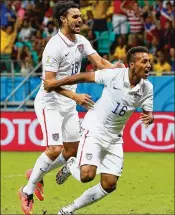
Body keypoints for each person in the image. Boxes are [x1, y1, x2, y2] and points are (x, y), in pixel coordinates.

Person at [18, 1, 124, 215]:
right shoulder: (54, 46)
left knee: (71, 151)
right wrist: (74, 95)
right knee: (55, 148)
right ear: (62, 19)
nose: (80, 19)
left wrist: (117, 70)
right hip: (50, 102)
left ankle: (36, 173)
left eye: (80, 16)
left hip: (68, 103)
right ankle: (27, 191)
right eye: (75, 16)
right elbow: (49, 83)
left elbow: (99, 62)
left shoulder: (81, 41)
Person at [42, 46, 154, 214]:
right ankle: (71, 164)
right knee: (86, 175)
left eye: (149, 62)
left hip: (115, 137)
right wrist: (56, 83)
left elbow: (148, 113)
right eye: (144, 61)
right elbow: (84, 77)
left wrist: (150, 117)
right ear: (131, 64)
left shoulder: (147, 88)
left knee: (110, 184)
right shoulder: (114, 75)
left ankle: (69, 210)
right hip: (94, 129)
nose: (148, 65)